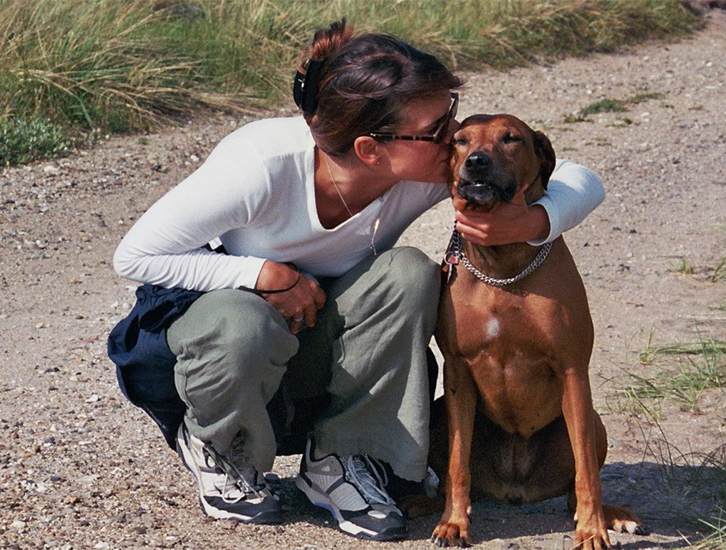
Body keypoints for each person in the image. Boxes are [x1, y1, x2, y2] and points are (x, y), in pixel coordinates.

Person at [110, 19, 604, 541]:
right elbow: (136, 255)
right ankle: (218, 447)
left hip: (312, 334)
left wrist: (534, 221)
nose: (454, 142)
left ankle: (340, 459)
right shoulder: (260, 164)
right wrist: (259, 272)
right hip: (226, 343)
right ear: (371, 148)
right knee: (241, 316)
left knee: (410, 272)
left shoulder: (422, 170)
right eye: (439, 130)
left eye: (451, 120)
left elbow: (578, 177)